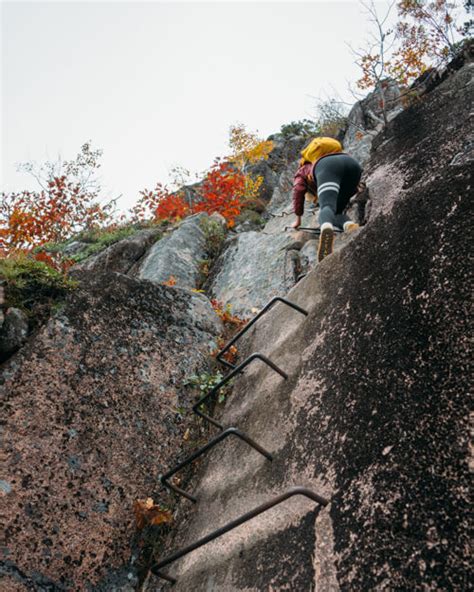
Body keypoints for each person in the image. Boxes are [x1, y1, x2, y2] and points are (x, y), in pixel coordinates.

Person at [291, 137, 363, 262]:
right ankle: (350, 226)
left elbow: (298, 189)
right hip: (352, 164)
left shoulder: (304, 168)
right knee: (337, 212)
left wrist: (298, 218)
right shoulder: (337, 153)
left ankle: (326, 229)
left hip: (328, 167)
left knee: (327, 207)